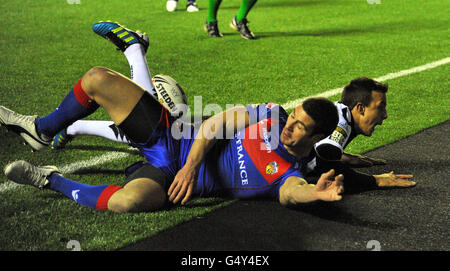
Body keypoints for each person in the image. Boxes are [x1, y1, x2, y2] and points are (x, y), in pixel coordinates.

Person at [306, 77, 415, 192]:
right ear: (361, 108)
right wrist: (376, 180)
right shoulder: (341, 123)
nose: (385, 115)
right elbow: (326, 155)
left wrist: (343, 158)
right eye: (380, 108)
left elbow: (321, 150)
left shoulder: (340, 112)